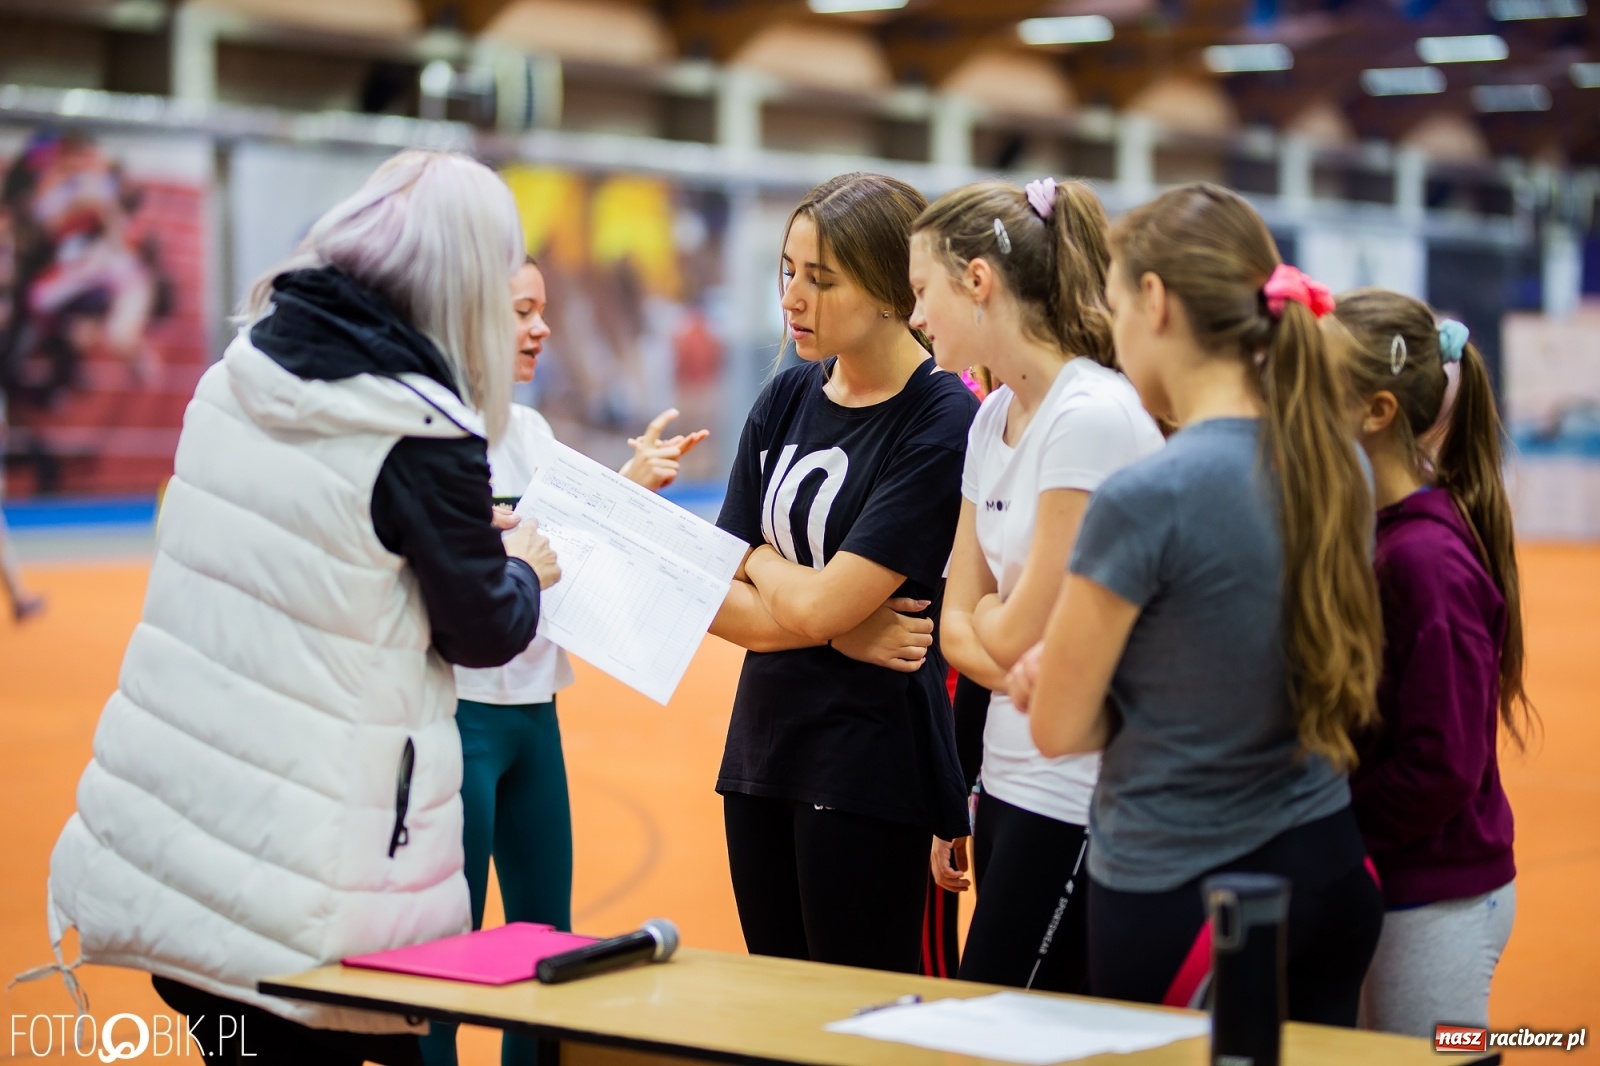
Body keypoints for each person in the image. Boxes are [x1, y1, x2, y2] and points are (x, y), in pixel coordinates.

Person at [42, 151, 560, 1066]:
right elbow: (484, 627)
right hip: (308, 886)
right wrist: (517, 563)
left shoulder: (235, 377)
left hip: (182, 835)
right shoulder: (420, 426)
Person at [1009, 183, 1385, 1026]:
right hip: (1329, 865)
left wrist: (1065, 677)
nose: (1112, 334)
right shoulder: (1339, 466)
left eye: (1114, 305)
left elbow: (1059, 729)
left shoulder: (1150, 494)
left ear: (1155, 301)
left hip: (1191, 889)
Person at [421, 259, 708, 1066]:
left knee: (548, 943)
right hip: (458, 717)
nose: (541, 329)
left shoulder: (533, 432)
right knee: (443, 957)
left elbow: (559, 543)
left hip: (532, 716)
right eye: (521, 311)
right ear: (469, 318)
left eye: (542, 310)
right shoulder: (435, 435)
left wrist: (630, 486)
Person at [708, 172, 978, 975]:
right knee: (776, 1018)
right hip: (763, 752)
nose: (794, 296)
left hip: (871, 766)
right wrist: (829, 625)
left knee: (862, 1025)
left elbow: (812, 596)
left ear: (896, 291)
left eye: (821, 279)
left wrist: (756, 559)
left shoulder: (940, 417)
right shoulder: (786, 395)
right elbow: (710, 593)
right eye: (788, 271)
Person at [912, 176, 1163, 994]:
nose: (917, 318)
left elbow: (1009, 629)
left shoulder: (1090, 414)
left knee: (1005, 1012)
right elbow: (959, 626)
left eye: (923, 292)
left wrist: (996, 623)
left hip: (1079, 788)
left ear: (978, 280)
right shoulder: (991, 417)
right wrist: (999, 626)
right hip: (1011, 772)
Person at [1329, 290, 1529, 1036]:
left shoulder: (1426, 559)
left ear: (1376, 412)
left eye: (1315, 378)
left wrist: (1329, 821)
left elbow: (1443, 763)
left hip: (1435, 891)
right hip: (1391, 874)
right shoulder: (1381, 531)